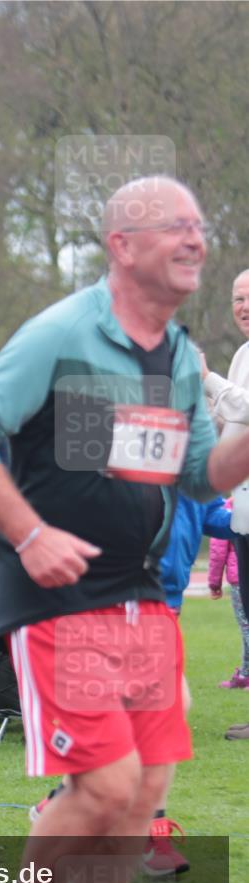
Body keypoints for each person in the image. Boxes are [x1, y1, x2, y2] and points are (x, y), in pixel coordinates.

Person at [0, 176, 249, 883]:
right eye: (173, 227)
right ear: (122, 245)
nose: (194, 240)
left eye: (199, 226)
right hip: (58, 595)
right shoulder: (63, 333)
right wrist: (29, 533)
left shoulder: (178, 353)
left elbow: (197, 474)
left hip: (145, 597)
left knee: (144, 793)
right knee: (104, 785)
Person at [202, 268, 249, 738]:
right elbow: (228, 416)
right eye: (237, 298)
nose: (243, 307)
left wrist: (209, 378)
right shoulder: (243, 353)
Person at [209, 498, 249, 689]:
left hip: (239, 578)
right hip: (239, 575)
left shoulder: (229, 508)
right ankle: (245, 673)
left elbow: (218, 551)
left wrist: (214, 582)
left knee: (246, 627)